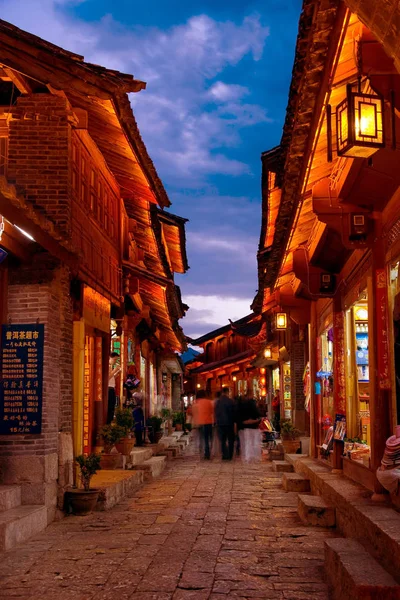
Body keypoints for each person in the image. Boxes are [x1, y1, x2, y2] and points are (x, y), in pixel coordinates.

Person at [238, 391, 262, 463]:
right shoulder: (253, 405)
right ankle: (255, 457)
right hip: (254, 427)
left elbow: (240, 416)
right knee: (255, 442)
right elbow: (258, 415)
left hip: (246, 427)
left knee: (247, 442)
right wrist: (256, 420)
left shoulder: (242, 405)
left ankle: (248, 457)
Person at [215, 387, 235, 460]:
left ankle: (224, 455)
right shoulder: (231, 401)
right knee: (230, 440)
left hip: (220, 423)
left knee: (222, 440)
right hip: (229, 423)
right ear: (227, 392)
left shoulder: (218, 402)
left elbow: (216, 413)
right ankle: (230, 455)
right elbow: (233, 413)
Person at [195, 389, 214, 460]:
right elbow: (212, 412)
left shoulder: (196, 402)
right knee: (208, 438)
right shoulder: (209, 402)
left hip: (200, 422)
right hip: (208, 422)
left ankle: (202, 452)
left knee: (202, 438)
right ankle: (207, 453)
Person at [107, 352, 121, 423]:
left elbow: (111, 377)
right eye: (115, 359)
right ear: (110, 358)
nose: (115, 361)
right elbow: (107, 378)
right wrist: (115, 370)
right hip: (109, 389)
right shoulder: (108, 366)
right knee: (110, 408)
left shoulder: (110, 366)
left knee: (112, 407)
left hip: (111, 388)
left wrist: (116, 374)